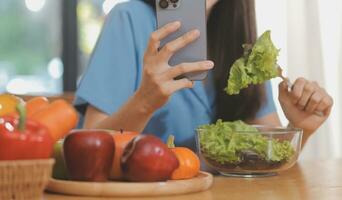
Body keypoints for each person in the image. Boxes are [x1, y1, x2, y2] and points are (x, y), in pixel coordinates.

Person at [74, 0, 333, 151]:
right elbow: (88, 147)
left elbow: (265, 154)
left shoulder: (242, 44)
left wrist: (299, 129)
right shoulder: (129, 19)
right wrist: (145, 100)